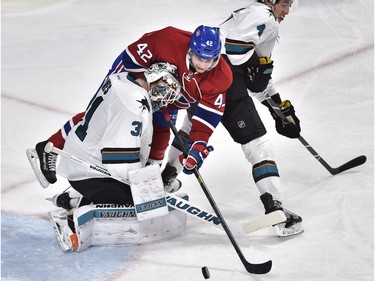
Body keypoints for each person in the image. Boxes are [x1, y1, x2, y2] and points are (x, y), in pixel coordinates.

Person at [29, 25, 232, 193]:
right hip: (138, 74)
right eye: (199, 58)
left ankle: (150, 177)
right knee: (104, 113)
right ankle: (48, 146)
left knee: (161, 127)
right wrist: (141, 81)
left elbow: (206, 118)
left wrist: (198, 146)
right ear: (190, 49)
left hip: (172, 93)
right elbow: (131, 57)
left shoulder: (221, 76)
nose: (204, 65)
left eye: (209, 60)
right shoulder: (167, 39)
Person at [166, 0, 303, 237]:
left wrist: (277, 107)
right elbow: (238, 54)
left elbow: (251, 71)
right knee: (257, 145)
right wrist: (260, 71)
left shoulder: (248, 14)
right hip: (224, 83)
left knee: (191, 128)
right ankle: (275, 210)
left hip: (202, 77)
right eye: (284, 4)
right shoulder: (264, 17)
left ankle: (166, 178)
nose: (287, 11)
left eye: (290, 5)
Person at [49, 62, 183, 251]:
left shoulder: (122, 80)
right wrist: (145, 187)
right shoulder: (133, 106)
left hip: (85, 158)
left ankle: (73, 200)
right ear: (153, 78)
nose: (162, 99)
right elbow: (119, 163)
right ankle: (71, 222)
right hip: (92, 171)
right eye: (162, 89)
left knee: (139, 200)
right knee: (137, 207)